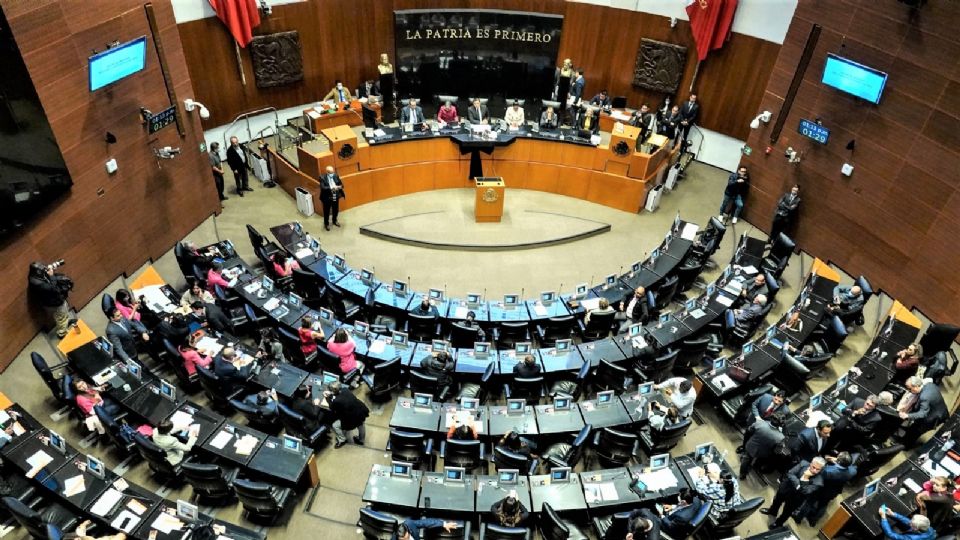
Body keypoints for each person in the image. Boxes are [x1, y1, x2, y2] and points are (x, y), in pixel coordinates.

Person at [761, 457, 825, 528]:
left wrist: (806, 477)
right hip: (786, 487)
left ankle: (779, 523)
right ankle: (772, 511)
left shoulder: (819, 482)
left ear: (821, 469)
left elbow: (805, 491)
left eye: (818, 469)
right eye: (813, 467)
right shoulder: (803, 463)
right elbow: (790, 473)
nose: (814, 470)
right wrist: (798, 485)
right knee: (776, 500)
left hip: (796, 498)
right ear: (811, 463)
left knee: (787, 512)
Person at [803, 452, 857, 525]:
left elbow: (819, 471)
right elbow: (848, 468)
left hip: (822, 490)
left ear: (839, 461)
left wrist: (826, 462)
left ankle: (799, 516)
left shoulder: (828, 471)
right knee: (823, 505)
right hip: (834, 491)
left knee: (810, 502)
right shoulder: (853, 471)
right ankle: (813, 521)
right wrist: (836, 462)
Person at [28, 261, 73, 338]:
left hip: (52, 300)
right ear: (38, 272)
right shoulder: (38, 284)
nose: (44, 270)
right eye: (42, 270)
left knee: (63, 315)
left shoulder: (34, 276)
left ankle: (65, 324)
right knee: (61, 317)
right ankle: (62, 333)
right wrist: (51, 276)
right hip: (53, 304)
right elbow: (53, 289)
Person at [898, 376, 948, 446]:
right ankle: (907, 435)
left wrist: (907, 415)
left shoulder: (924, 396)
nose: (909, 391)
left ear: (916, 386)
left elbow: (922, 414)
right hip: (939, 410)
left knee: (916, 431)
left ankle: (906, 445)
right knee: (914, 427)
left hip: (933, 418)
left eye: (910, 389)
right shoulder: (929, 384)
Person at [740, 412, 786, 479]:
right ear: (781, 424)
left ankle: (742, 474)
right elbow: (777, 451)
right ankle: (753, 467)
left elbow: (749, 430)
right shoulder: (780, 437)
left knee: (745, 460)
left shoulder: (760, 423)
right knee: (756, 461)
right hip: (762, 453)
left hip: (751, 446)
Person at [324, 381, 369, 448]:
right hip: (360, 412)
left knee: (335, 425)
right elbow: (343, 398)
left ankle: (342, 440)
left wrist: (327, 398)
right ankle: (361, 440)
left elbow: (332, 408)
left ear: (333, 391)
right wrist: (332, 395)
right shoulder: (346, 389)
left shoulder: (337, 401)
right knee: (361, 425)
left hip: (351, 419)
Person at [319, 165, 345, 231]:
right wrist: (332, 188)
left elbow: (342, 185)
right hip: (327, 197)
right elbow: (323, 187)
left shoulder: (336, 176)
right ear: (327, 172)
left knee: (335, 209)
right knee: (326, 211)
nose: (332, 174)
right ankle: (326, 224)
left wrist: (339, 187)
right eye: (330, 173)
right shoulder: (322, 177)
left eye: (332, 172)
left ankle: (334, 220)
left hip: (334, 195)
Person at [394, 518, 458, 540]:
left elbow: (426, 522)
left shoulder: (410, 524)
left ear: (408, 531)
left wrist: (444, 524)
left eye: (406, 538)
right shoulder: (395, 537)